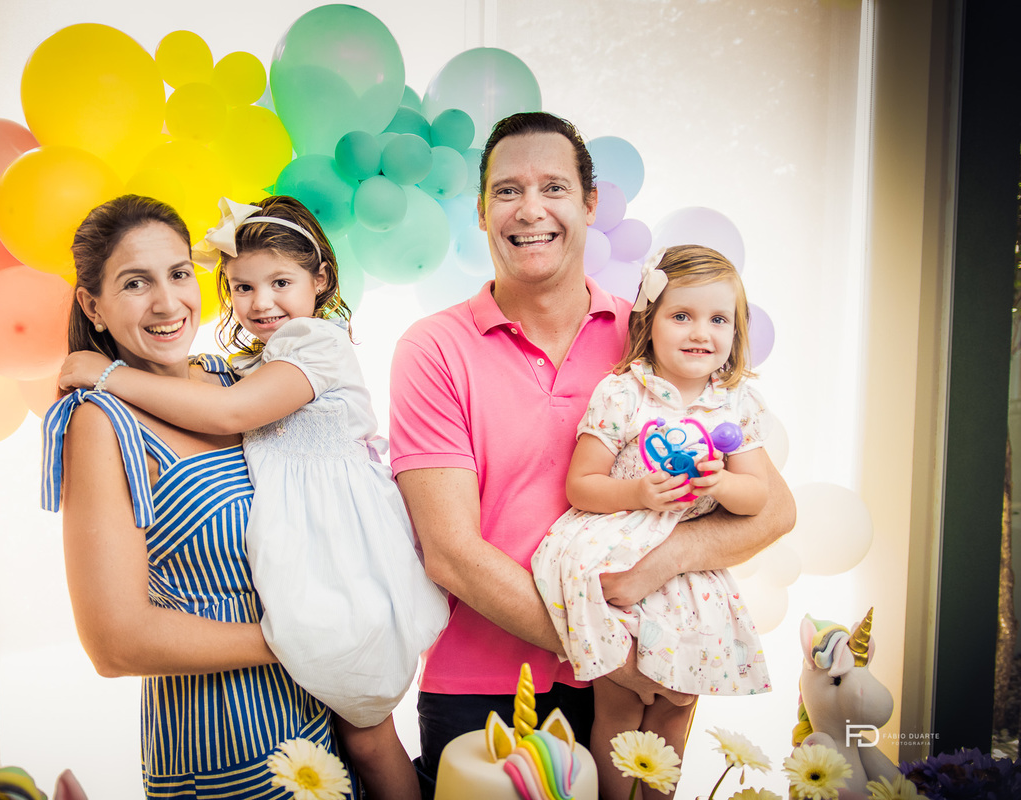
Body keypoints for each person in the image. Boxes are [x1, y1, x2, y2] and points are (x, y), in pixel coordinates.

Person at [388, 111, 795, 799]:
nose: (531, 210)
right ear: (482, 212)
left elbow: (773, 511)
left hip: (643, 670)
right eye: (508, 191)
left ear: (590, 204)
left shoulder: (654, 337)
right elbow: (451, 553)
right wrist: (605, 647)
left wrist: (660, 573)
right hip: (487, 689)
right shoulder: (433, 349)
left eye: (553, 187)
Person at [57, 194, 450, 800]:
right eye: (135, 283)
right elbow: (115, 643)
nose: (167, 302)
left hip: (317, 713)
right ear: (94, 306)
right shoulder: (101, 420)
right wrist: (312, 634)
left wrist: (332, 635)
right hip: (228, 740)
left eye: (178, 273)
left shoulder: (227, 376)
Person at [531, 244, 773, 798]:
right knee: (620, 705)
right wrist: (638, 491)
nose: (700, 333)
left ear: (737, 331)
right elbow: (581, 484)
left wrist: (721, 483)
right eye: (681, 315)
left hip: (689, 579)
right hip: (619, 555)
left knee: (675, 708)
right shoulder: (624, 391)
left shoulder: (736, 403)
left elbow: (757, 497)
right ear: (649, 321)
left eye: (718, 320)